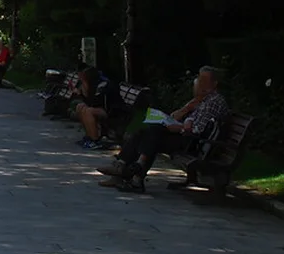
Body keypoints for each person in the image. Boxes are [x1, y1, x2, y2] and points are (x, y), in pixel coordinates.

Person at [97, 65, 230, 193]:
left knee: (152, 132)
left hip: (194, 143)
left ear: (214, 83)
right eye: (199, 79)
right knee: (148, 131)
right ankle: (131, 171)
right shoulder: (203, 100)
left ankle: (126, 169)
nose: (199, 83)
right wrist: (187, 114)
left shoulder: (213, 102)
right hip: (187, 138)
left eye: (204, 80)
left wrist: (179, 128)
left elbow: (198, 130)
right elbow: (182, 117)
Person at [72, 66, 116, 149]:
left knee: (88, 111)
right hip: (101, 108)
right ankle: (88, 136)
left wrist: (84, 86)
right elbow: (89, 102)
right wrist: (81, 93)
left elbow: (95, 102)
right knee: (80, 106)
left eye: (83, 78)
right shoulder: (93, 84)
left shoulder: (102, 84)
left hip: (112, 111)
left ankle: (95, 140)